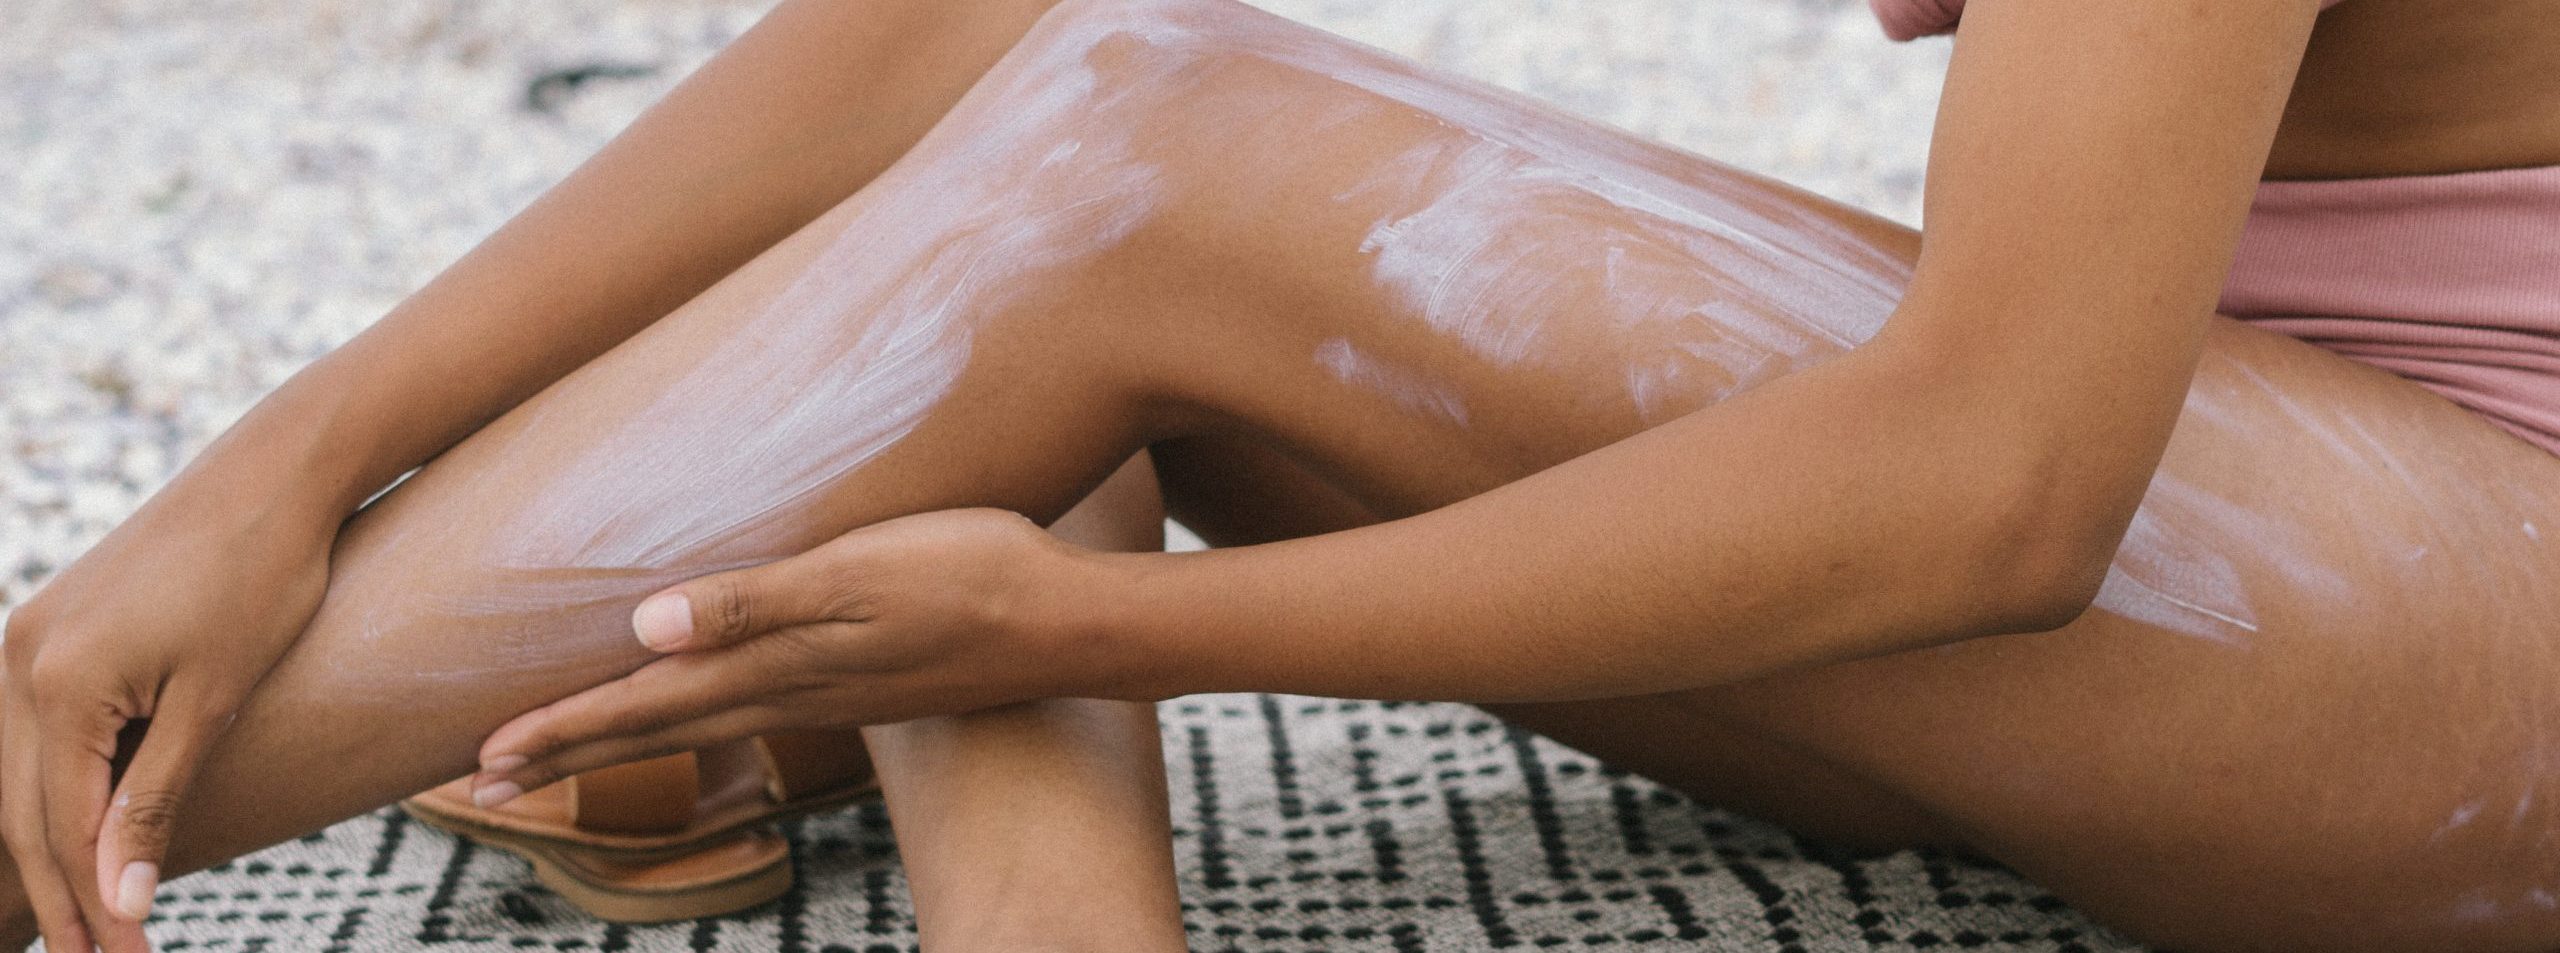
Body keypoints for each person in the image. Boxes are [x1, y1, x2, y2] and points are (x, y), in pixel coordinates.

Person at [6, 0, 2558, 949]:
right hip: (2252, 522)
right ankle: (1049, 915)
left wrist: (1103, 630)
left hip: (2472, 656)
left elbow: (1997, 490)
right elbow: (974, 31)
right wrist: (278, 455)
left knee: (1182, 166)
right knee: (1109, 185)